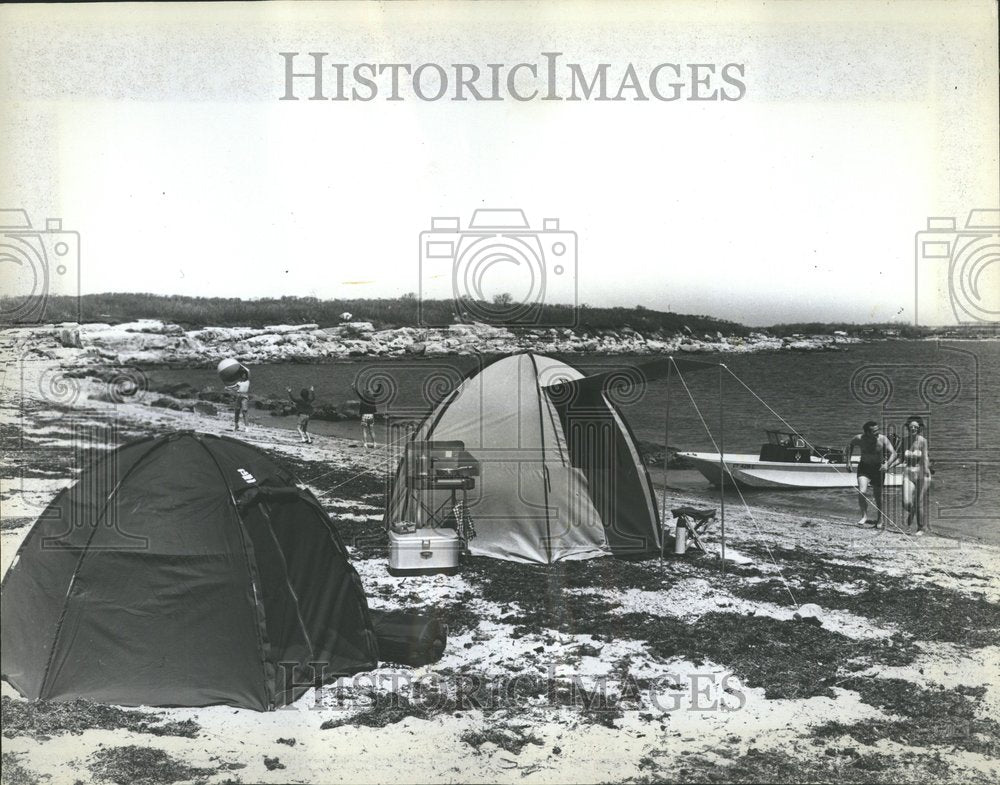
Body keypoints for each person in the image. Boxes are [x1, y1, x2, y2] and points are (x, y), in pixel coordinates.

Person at [846, 420, 897, 528]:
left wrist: (887, 465)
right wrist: (848, 462)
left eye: (878, 430)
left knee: (878, 496)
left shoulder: (882, 439)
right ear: (867, 432)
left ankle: (880, 519)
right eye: (874, 431)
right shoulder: (859, 439)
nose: (877, 432)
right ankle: (864, 516)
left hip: (878, 468)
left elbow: (894, 453)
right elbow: (850, 446)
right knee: (862, 491)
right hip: (864, 467)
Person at [886, 415, 932, 535]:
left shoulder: (923, 441)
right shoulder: (905, 440)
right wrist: (888, 466)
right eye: (911, 427)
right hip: (908, 474)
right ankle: (912, 511)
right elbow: (900, 458)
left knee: (919, 503)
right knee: (906, 502)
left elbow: (925, 457)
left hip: (922, 474)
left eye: (915, 427)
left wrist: (927, 472)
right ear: (907, 428)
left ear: (919, 428)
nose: (913, 429)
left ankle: (921, 528)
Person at [224, 364, 251, 432]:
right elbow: (234, 388)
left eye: (244, 374)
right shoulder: (239, 382)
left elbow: (248, 370)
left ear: (246, 375)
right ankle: (236, 425)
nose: (243, 375)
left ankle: (246, 427)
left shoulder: (247, 381)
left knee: (244, 411)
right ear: (241, 375)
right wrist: (227, 388)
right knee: (237, 411)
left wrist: (239, 365)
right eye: (242, 374)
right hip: (238, 396)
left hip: (244, 397)